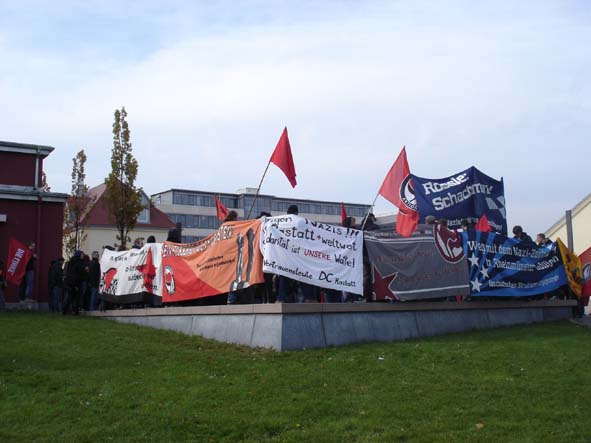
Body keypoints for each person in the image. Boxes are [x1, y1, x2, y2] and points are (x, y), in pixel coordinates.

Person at [276, 205, 300, 303]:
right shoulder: (299, 222)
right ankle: (303, 298)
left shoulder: (281, 223)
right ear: (297, 213)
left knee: (284, 278)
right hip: (297, 257)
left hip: (284, 257)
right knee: (301, 278)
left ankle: (281, 298)